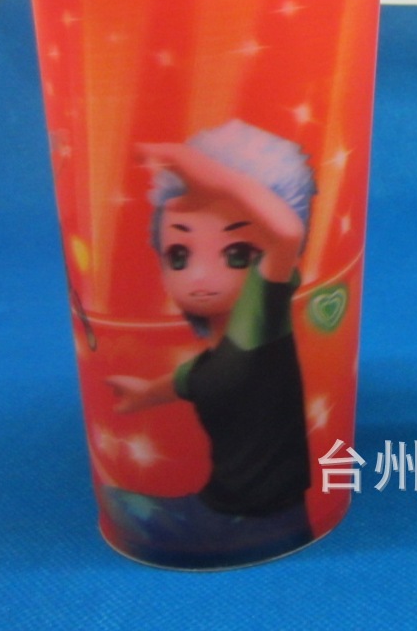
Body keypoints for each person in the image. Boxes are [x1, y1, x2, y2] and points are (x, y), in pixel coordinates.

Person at [104, 119, 315, 567]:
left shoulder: (259, 325)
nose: (200, 277)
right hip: (214, 513)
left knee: (122, 509)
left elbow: (286, 233)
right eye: (178, 255)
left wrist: (206, 172)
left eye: (237, 254)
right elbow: (188, 380)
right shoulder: (215, 364)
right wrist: (143, 394)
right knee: (116, 503)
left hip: (266, 520)